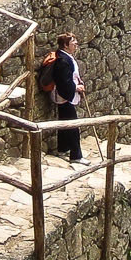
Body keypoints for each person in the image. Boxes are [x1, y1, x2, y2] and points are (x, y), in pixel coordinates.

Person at [45, 33, 87, 165]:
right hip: (64, 96)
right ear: (65, 45)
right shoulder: (63, 60)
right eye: (72, 41)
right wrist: (76, 88)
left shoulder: (65, 57)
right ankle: (76, 155)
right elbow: (64, 82)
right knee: (73, 126)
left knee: (64, 122)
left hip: (64, 95)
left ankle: (62, 149)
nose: (76, 43)